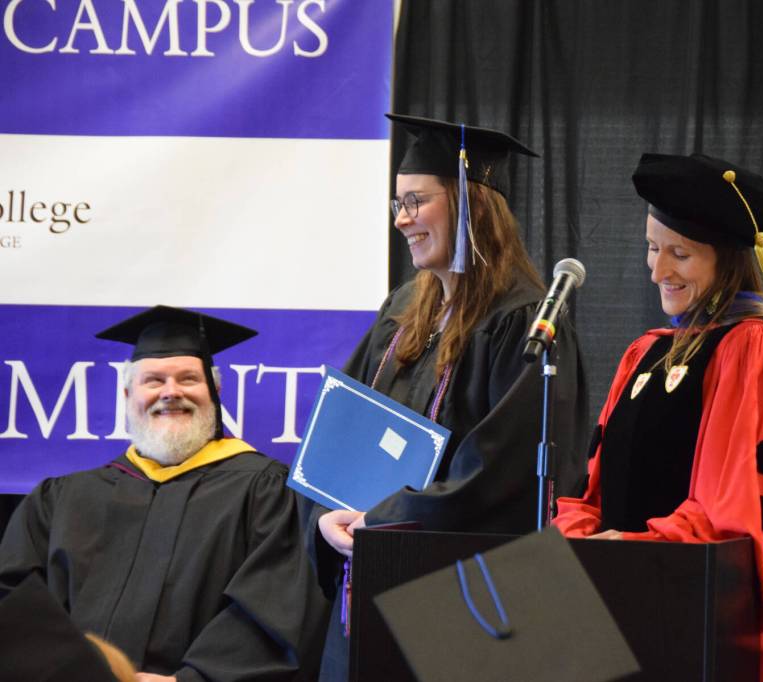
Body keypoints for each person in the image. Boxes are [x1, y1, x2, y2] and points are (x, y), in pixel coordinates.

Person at [308, 114, 588, 679]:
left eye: (416, 201)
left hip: (463, 603)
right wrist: (325, 515)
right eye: (397, 205)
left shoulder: (523, 321)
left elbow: (501, 471)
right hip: (371, 582)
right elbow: (344, 427)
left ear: (469, 206)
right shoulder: (404, 309)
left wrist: (384, 519)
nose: (402, 220)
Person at [553, 153, 763, 682]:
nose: (658, 270)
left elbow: (732, 514)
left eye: (679, 254)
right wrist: (578, 536)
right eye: (651, 248)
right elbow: (591, 486)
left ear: (727, 260)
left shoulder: (753, 347)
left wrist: (629, 551)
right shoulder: (645, 352)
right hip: (617, 613)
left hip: (692, 629)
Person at [0, 305, 330, 681]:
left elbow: (281, 605)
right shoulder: (59, 501)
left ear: (216, 392)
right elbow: (15, 602)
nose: (171, 392)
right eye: (154, 381)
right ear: (127, 394)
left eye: (188, 379)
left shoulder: (267, 494)